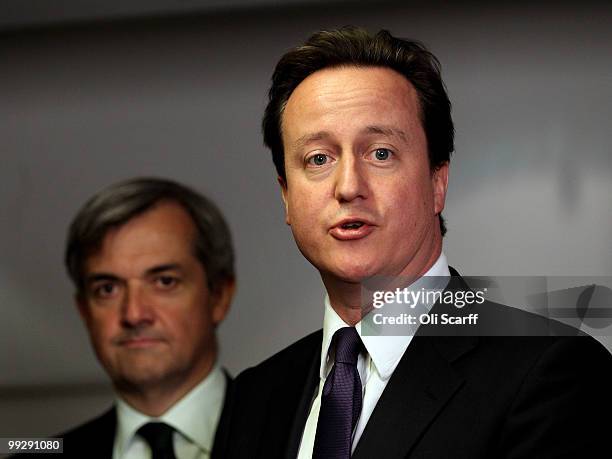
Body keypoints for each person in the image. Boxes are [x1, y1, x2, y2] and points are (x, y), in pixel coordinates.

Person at [221, 27, 612, 458]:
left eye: (381, 153)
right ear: (286, 196)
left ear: (437, 182)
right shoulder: (254, 396)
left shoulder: (550, 371)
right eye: (319, 159)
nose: (348, 186)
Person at [61, 177, 235, 458]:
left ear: (219, 296)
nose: (134, 314)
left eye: (165, 282)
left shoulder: (304, 432)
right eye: (107, 289)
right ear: (84, 310)